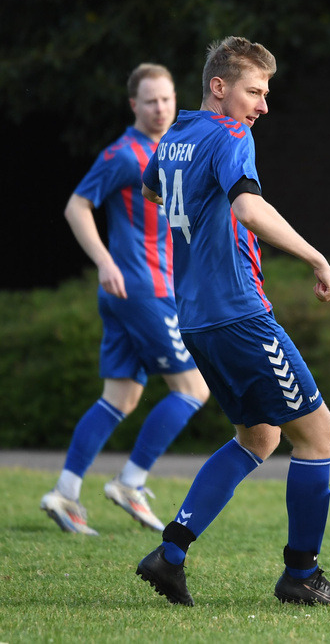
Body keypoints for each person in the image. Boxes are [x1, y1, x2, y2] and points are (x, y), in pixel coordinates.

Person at [135, 36, 330, 606]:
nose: (262, 105)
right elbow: (249, 207)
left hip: (196, 318)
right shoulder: (232, 134)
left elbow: (154, 190)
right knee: (318, 432)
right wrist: (317, 258)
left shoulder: (176, 134)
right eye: (254, 91)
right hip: (237, 313)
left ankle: (170, 553)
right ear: (219, 87)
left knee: (259, 435)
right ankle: (300, 573)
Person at [41, 63, 210, 536]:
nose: (160, 108)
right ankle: (130, 482)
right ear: (133, 105)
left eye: (167, 99)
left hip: (134, 293)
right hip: (142, 291)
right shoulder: (124, 154)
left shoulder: (172, 148)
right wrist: (104, 261)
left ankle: (65, 493)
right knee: (194, 389)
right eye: (150, 101)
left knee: (120, 396)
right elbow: (76, 206)